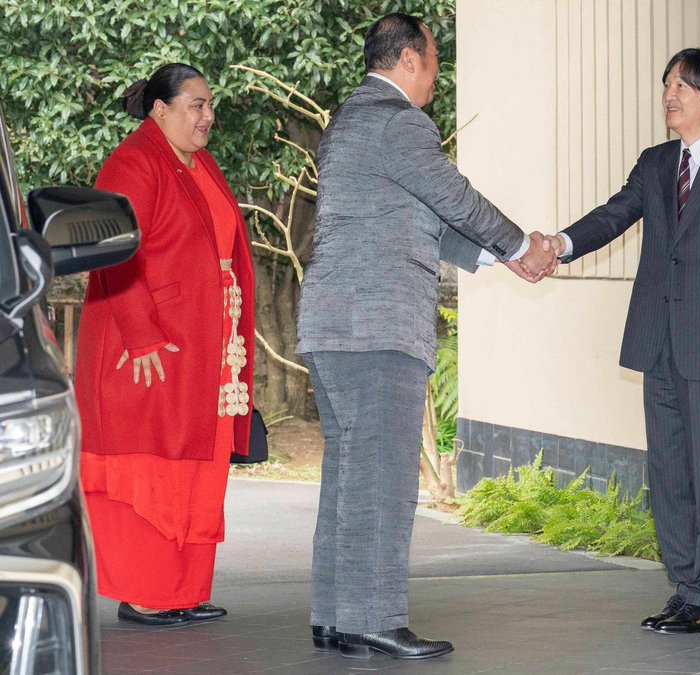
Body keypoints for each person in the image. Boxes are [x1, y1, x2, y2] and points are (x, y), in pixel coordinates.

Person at [295, 12, 556, 661]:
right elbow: (455, 197)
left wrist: (503, 259)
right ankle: (376, 616)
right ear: (409, 59)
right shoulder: (398, 122)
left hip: (335, 326)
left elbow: (429, 220)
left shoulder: (350, 122)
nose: (437, 76)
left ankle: (336, 615)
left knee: (350, 476)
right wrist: (524, 242)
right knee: (382, 478)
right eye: (434, 61)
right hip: (376, 327)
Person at [543, 48, 700, 634]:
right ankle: (686, 583)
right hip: (658, 341)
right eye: (667, 84)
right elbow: (613, 216)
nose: (670, 95)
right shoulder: (654, 162)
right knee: (667, 469)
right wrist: (559, 244)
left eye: (684, 87)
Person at [75, 63, 254, 625]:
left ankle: (181, 590)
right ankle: (146, 591)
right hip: (147, 348)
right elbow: (110, 250)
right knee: (152, 463)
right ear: (160, 109)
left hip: (202, 344)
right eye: (196, 105)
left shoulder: (199, 162)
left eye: (209, 104)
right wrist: (142, 333)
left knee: (196, 463)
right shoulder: (133, 161)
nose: (208, 115)